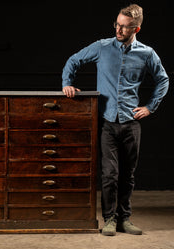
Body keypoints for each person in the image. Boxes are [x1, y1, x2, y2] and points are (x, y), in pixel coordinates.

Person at [62, 4, 169, 236]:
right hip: (107, 123)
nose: (119, 30)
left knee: (127, 175)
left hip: (131, 123)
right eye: (117, 25)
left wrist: (150, 107)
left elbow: (163, 80)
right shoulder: (102, 47)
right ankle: (109, 219)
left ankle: (124, 219)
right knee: (109, 174)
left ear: (136, 28)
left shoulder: (147, 53)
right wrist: (67, 83)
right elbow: (73, 60)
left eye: (125, 27)